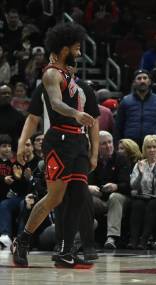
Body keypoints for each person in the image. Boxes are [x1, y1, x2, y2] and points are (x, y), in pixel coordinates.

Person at [11, 22, 98, 269]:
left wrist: (93, 152)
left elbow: (91, 122)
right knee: (55, 198)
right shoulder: (51, 74)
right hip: (59, 140)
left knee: (79, 195)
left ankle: (65, 250)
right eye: (76, 48)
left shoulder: (72, 77)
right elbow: (57, 104)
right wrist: (77, 114)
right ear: (63, 49)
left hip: (79, 141)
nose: (80, 53)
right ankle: (23, 239)